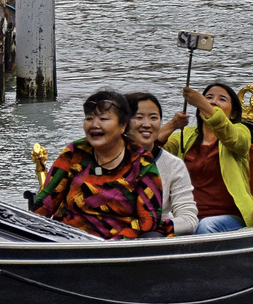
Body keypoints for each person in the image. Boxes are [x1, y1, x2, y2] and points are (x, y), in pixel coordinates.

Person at [30, 90, 170, 239]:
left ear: (123, 125)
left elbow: (149, 220)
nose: (94, 125)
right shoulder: (75, 152)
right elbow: (45, 203)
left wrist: (112, 244)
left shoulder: (141, 161)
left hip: (120, 246)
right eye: (89, 118)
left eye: (103, 119)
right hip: (69, 240)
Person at [163, 83, 253, 234]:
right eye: (209, 98)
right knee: (161, 225)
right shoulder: (186, 135)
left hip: (230, 218)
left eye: (222, 99)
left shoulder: (241, 132)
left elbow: (231, 136)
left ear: (232, 114)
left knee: (206, 225)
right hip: (188, 216)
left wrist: (202, 103)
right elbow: (151, 149)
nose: (213, 102)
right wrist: (173, 124)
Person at [125, 91, 197, 235]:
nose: (147, 124)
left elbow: (189, 219)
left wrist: (146, 226)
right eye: (138, 117)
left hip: (152, 236)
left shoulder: (173, 164)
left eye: (153, 118)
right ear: (122, 123)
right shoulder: (102, 157)